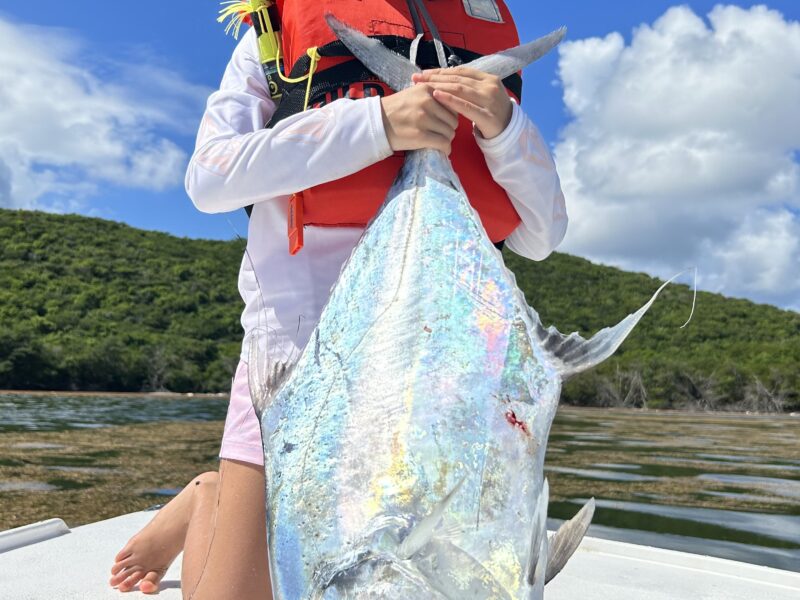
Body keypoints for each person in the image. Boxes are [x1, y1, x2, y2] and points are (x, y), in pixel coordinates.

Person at [108, 1, 567, 597]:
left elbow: (540, 235)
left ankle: (212, 496)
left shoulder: (479, 48)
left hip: (431, 374)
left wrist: (507, 127)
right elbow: (210, 176)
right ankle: (221, 493)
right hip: (305, 362)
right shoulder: (271, 35)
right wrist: (378, 124)